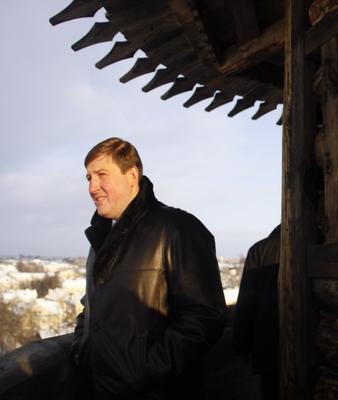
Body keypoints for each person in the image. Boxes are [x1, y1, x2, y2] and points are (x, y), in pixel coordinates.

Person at [71, 137, 227, 399]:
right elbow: (92, 306)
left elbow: (204, 315)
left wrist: (146, 373)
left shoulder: (176, 228)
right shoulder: (100, 237)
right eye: (89, 178)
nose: (92, 187)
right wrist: (81, 350)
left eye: (101, 175)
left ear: (132, 175)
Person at [232, 225, 281, 400]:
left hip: (269, 347)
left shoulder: (259, 250)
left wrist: (241, 347)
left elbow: (246, 304)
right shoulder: (316, 243)